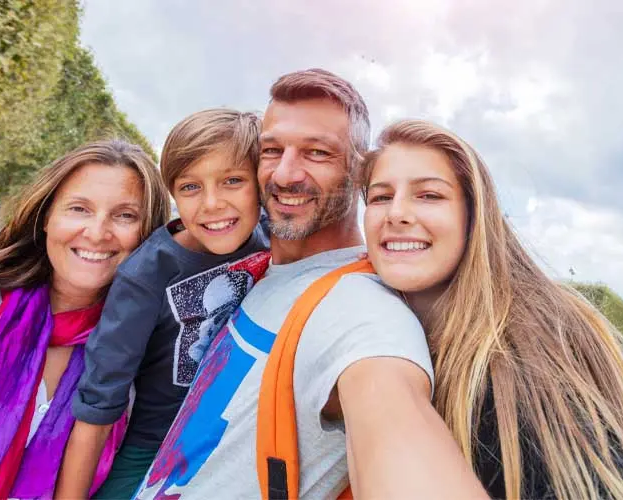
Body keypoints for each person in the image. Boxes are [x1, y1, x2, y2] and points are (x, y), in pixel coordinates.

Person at [133, 69, 487, 499]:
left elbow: (392, 412)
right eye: (272, 150)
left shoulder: (361, 310)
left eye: (317, 153)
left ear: (360, 171)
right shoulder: (261, 268)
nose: (285, 174)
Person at [361, 119, 623, 500]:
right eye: (380, 197)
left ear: (475, 217)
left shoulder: (522, 365)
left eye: (429, 195)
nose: (396, 213)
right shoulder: (404, 325)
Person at [56, 110, 271, 499]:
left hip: (236, 444)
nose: (211, 204)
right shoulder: (146, 277)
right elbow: (98, 406)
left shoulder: (272, 239)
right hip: (152, 450)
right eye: (190, 187)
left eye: (233, 181)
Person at [0, 140, 169, 499]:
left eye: (125, 216)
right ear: (46, 218)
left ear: (147, 235)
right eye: (79, 209)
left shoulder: (144, 356)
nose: (97, 232)